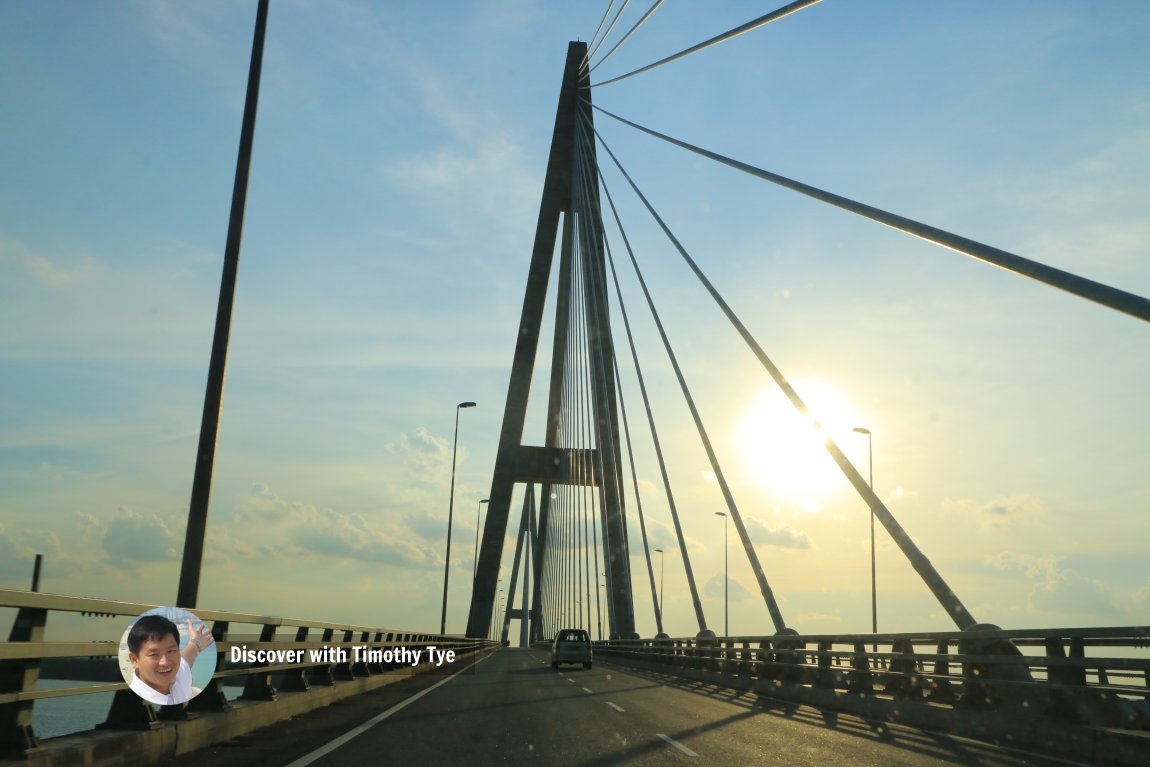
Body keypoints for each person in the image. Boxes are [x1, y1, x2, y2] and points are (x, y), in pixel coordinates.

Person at [126, 614, 214, 705]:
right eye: (154, 654)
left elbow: (186, 658)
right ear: (134, 660)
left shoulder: (178, 673)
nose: (165, 662)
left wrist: (196, 643)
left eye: (171, 651)